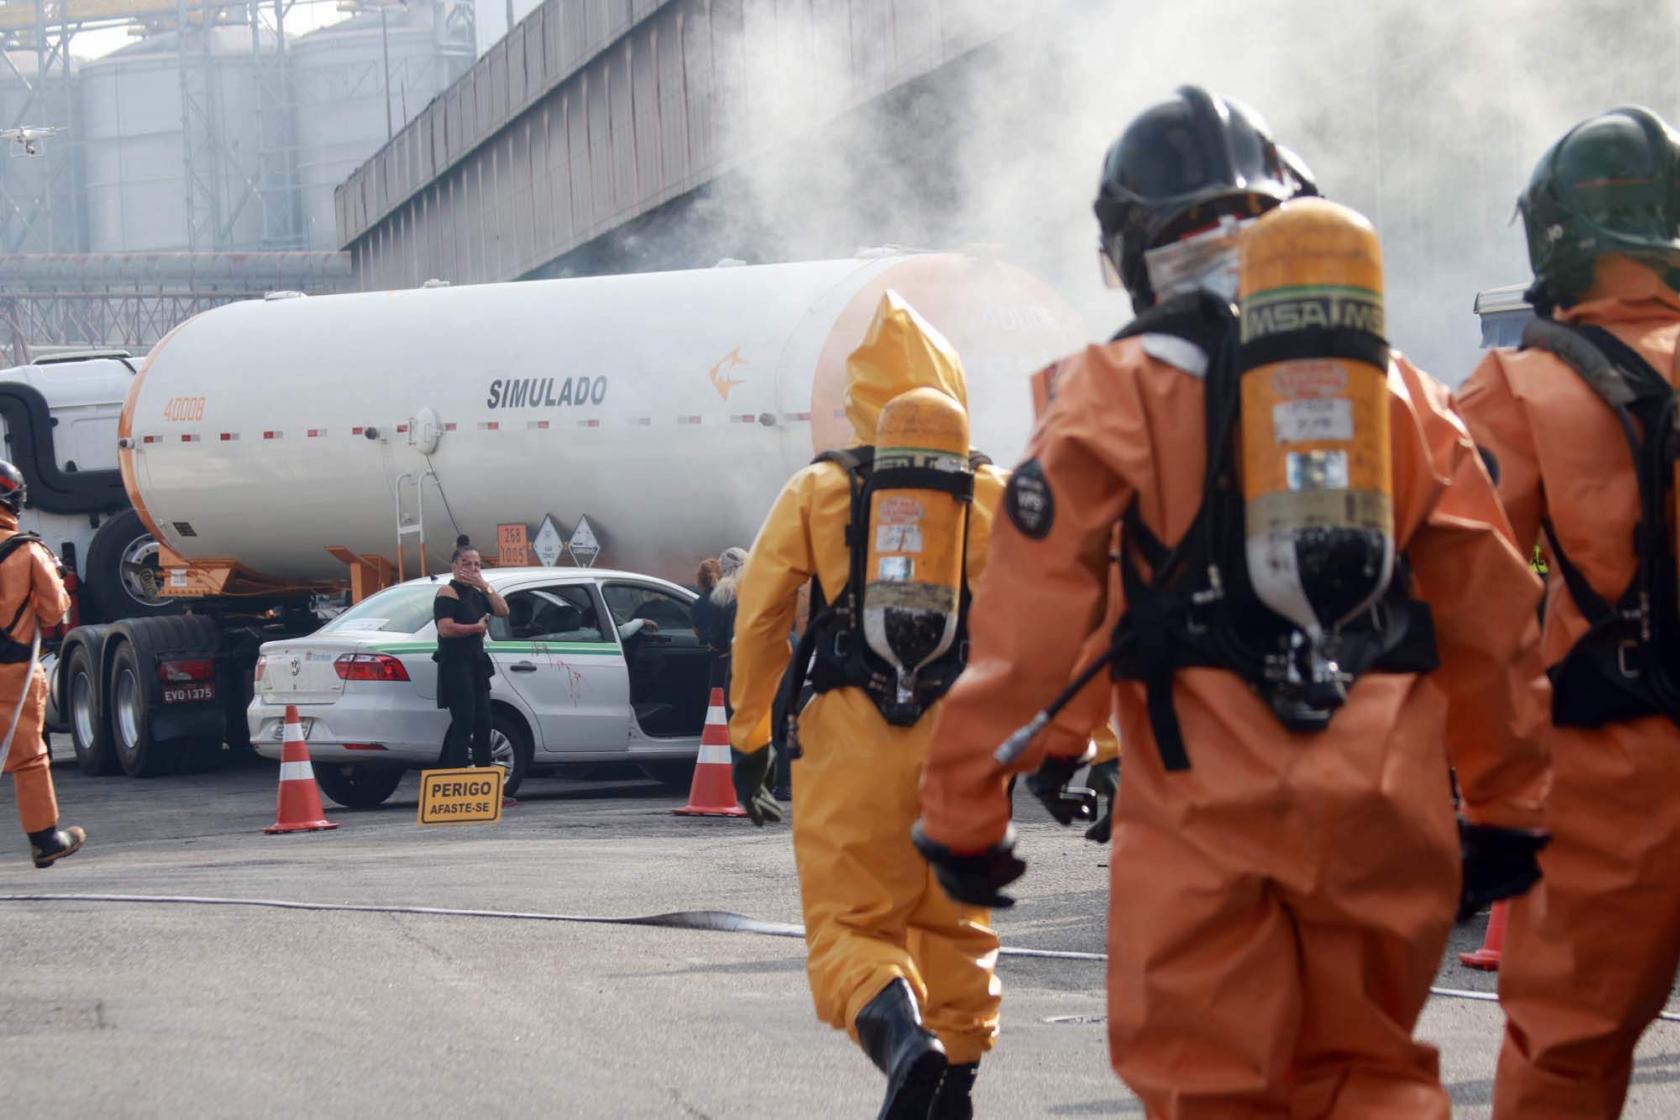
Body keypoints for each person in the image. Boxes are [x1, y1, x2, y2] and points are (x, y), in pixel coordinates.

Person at [912, 87, 1553, 1117]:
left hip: (1207, 808)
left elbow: (1031, 623)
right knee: (1373, 1076)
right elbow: (1491, 609)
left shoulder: (1107, 393)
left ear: (1131, 248)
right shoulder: (1396, 390)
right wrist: (1510, 807)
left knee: (1213, 1086)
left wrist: (965, 812)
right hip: (1386, 798)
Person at [729, 291, 1008, 1119]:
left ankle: (901, 1042)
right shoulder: (988, 492)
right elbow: (1060, 618)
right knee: (958, 929)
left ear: (862, 398)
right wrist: (1092, 747)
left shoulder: (820, 488)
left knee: (851, 925)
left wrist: (751, 734)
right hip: (964, 737)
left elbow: (761, 614)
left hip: (851, 732)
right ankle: (951, 1090)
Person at [1454, 105, 1680, 1119]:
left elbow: (1452, 597)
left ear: (1557, 233)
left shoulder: (1521, 388)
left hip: (1606, 787)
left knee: (1565, 1067)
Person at [0, 461, 82, 867]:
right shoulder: (28, 551)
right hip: (13, 671)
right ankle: (46, 840)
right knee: (28, 756)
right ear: (14, 499)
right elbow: (53, 613)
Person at [433, 535, 509, 771]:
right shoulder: (448, 592)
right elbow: (445, 628)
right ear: (455, 566)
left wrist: (484, 585)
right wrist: (475, 628)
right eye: (467, 564)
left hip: (476, 664)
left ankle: (486, 779)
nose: (473, 569)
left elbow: (502, 610)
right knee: (464, 722)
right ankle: (456, 776)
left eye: (477, 565)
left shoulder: (478, 594)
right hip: (456, 665)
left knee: (484, 723)